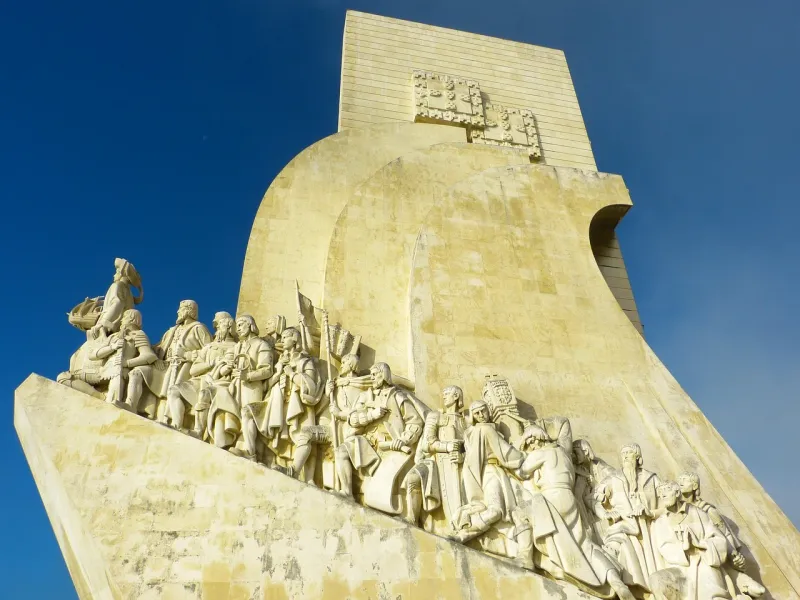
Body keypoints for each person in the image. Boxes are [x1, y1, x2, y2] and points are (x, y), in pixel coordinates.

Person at [515, 427, 635, 600]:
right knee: (584, 544)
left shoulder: (541, 453)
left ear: (537, 439)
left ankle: (525, 557)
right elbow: (563, 425)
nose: (531, 446)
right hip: (569, 499)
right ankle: (617, 583)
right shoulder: (563, 453)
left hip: (552, 496)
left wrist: (524, 454)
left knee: (521, 512)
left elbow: (523, 471)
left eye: (530, 442)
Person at [334, 362, 425, 514]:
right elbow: (352, 419)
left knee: (383, 495)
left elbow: (415, 422)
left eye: (375, 374)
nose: (372, 378)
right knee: (341, 451)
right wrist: (371, 415)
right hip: (368, 442)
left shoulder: (397, 396)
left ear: (383, 376)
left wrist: (403, 439)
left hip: (391, 447)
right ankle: (347, 492)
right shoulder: (365, 396)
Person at [449, 399, 529, 567]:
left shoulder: (474, 432)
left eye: (483, 411)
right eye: (476, 413)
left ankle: (524, 553)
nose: (481, 415)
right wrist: (524, 456)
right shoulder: (485, 429)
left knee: (511, 512)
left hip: (488, 473)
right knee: (497, 510)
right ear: (473, 416)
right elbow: (506, 453)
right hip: (492, 471)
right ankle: (464, 534)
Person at [678, 472, 766, 598]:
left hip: (711, 553)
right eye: (679, 480)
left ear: (694, 486)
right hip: (689, 555)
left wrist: (733, 555)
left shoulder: (707, 510)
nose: (680, 482)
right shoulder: (677, 510)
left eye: (685, 480)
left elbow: (724, 534)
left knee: (754, 588)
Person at [257, 327, 324, 480]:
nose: (282, 340)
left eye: (286, 336)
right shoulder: (281, 361)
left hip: (300, 404)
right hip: (279, 402)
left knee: (303, 436)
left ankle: (303, 475)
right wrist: (279, 372)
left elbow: (311, 386)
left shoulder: (305, 361)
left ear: (294, 340)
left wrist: (291, 373)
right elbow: (267, 385)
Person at [592, 443, 662, 591]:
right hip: (624, 529)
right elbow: (593, 499)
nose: (625, 456)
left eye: (629, 453)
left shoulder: (652, 479)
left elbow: (667, 505)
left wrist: (651, 513)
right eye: (623, 453)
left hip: (650, 532)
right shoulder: (613, 479)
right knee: (616, 545)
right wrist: (605, 514)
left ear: (638, 457)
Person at [127, 300, 211, 418]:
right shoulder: (171, 330)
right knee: (137, 372)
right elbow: (159, 348)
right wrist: (137, 339)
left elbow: (210, 350)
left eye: (181, 309)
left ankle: (171, 421)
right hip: (163, 365)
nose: (178, 311)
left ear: (189, 310)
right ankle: (130, 405)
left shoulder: (199, 328)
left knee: (171, 394)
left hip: (183, 367)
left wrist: (187, 355)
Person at [649, 481, 730, 600]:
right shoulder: (660, 522)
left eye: (666, 490)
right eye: (660, 493)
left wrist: (700, 544)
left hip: (702, 562)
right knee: (657, 579)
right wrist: (684, 548)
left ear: (677, 493)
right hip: (678, 568)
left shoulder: (698, 513)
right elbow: (664, 547)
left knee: (710, 586)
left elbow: (719, 539)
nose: (663, 495)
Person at [162, 311, 238, 438]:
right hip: (201, 379)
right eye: (216, 326)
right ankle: (177, 425)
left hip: (220, 382)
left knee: (204, 394)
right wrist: (211, 364)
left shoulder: (236, 347)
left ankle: (198, 431)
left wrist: (222, 367)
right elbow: (193, 370)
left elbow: (228, 370)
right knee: (174, 391)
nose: (217, 328)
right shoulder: (209, 347)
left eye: (219, 325)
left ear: (229, 326)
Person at [401, 385, 466, 528]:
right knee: (412, 478)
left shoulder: (466, 421)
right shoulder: (435, 416)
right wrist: (446, 446)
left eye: (447, 393)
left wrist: (462, 455)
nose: (443, 396)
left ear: (456, 396)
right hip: (433, 462)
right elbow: (427, 443)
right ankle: (412, 518)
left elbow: (471, 447)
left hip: (458, 465)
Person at [87, 309, 157, 406]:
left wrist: (127, 363)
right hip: (102, 371)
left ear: (131, 319)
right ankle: (100, 396)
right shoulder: (114, 336)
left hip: (120, 372)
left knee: (112, 401)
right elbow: (93, 355)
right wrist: (112, 347)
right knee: (65, 378)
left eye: (124, 317)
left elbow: (149, 356)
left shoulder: (138, 334)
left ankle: (110, 400)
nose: (121, 320)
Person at [228, 315, 274, 460]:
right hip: (236, 385)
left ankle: (250, 452)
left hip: (252, 386)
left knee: (248, 414)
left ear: (250, 325)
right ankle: (235, 444)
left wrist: (247, 376)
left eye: (241, 324)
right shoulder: (238, 346)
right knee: (236, 416)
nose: (238, 328)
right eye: (238, 325)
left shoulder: (261, 345)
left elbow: (267, 370)